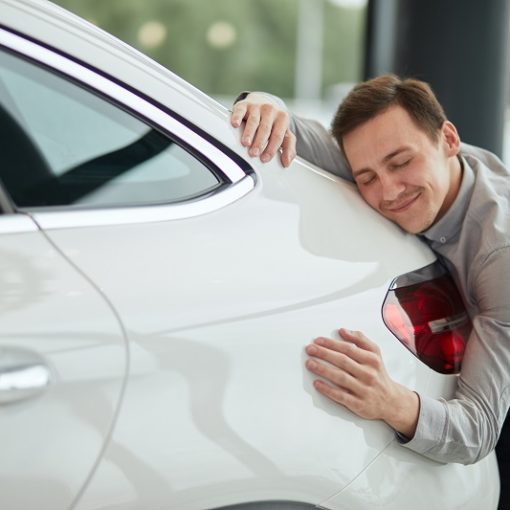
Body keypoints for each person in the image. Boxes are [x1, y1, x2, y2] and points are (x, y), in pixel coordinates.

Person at [230, 75, 510, 506]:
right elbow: (296, 133)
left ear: (449, 139)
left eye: (401, 164)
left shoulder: (501, 255)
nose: (389, 192)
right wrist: (261, 101)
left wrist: (389, 401)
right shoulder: (389, 156)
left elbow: (477, 430)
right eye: (367, 177)